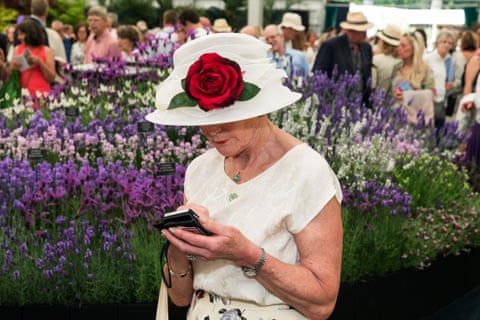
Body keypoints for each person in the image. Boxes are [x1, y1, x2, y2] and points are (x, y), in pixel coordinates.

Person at [145, 33, 343, 320]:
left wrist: (248, 255)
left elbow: (322, 301)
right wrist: (179, 248)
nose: (213, 132)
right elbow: (180, 297)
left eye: (226, 118)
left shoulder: (306, 172)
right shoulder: (200, 169)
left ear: (260, 108)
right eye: (203, 120)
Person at [312, 11, 374, 106]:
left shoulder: (366, 48)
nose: (365, 34)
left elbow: (366, 77)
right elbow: (318, 73)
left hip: (359, 104)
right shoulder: (331, 45)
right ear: (351, 31)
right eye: (362, 31)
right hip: (334, 103)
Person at [9, 18, 56, 108]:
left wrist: (40, 63)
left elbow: (51, 78)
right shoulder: (17, 49)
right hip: (24, 93)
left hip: (42, 95)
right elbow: (10, 75)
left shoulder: (46, 50)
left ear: (30, 34)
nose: (19, 38)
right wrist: (14, 68)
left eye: (21, 34)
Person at [393, 32, 435, 125]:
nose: (399, 48)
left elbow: (433, 95)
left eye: (403, 46)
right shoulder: (396, 68)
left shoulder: (426, 71)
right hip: (396, 119)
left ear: (414, 49)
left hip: (416, 121)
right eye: (399, 45)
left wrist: (411, 93)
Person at [424, 30, 455, 129]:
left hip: (442, 101)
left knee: (439, 131)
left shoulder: (449, 60)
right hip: (429, 100)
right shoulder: (427, 58)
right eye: (444, 42)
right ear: (437, 43)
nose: (447, 45)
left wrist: (449, 84)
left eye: (450, 43)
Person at [371, 23, 402, 93]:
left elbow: (372, 85)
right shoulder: (402, 62)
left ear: (382, 41)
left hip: (377, 101)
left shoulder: (375, 60)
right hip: (396, 102)